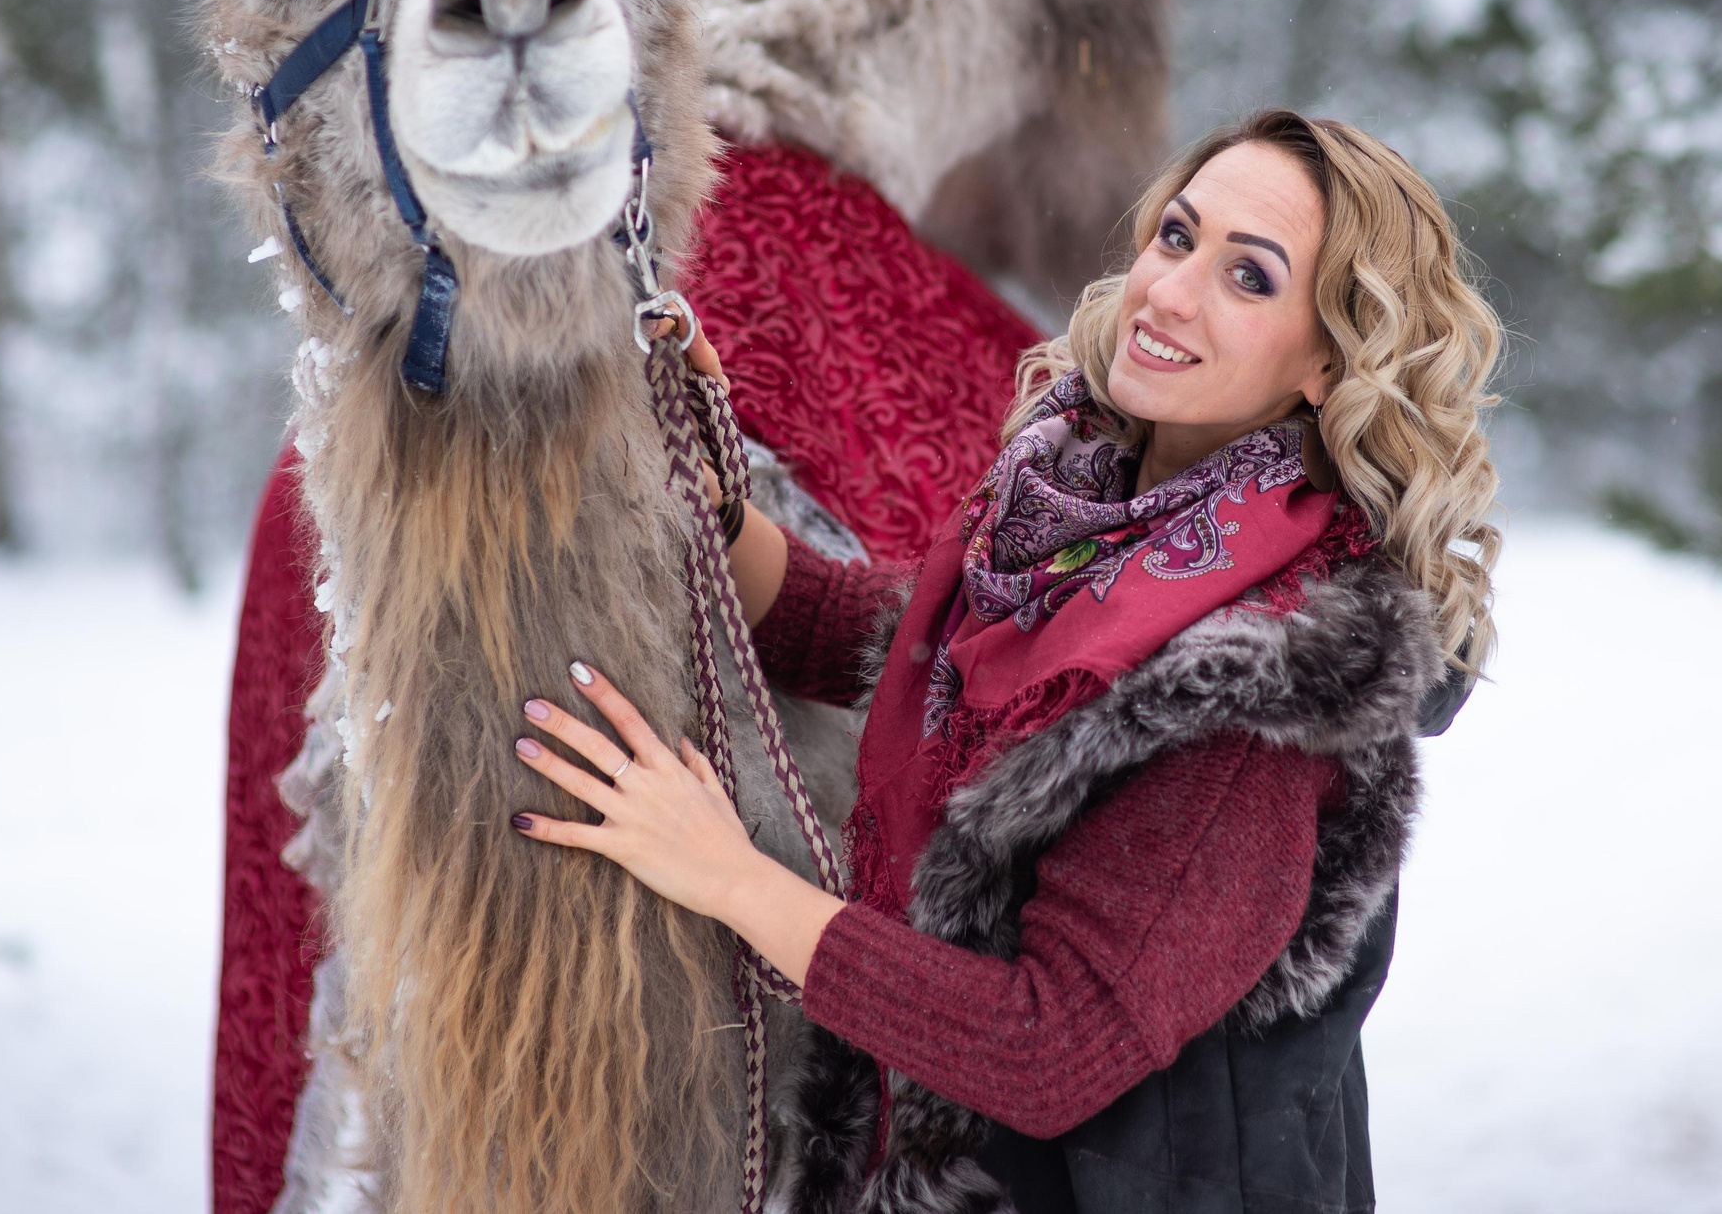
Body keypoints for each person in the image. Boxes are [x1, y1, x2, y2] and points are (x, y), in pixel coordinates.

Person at [508, 108, 1503, 1214]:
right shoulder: (1084, 504)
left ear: (1330, 357)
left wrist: (729, 876)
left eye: (1248, 277)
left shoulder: (1263, 690)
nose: (1169, 292)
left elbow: (1046, 1045)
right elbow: (908, 643)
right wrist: (714, 496)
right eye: (1176, 236)